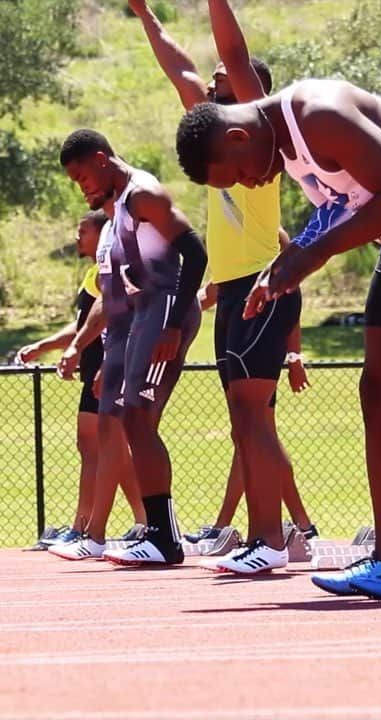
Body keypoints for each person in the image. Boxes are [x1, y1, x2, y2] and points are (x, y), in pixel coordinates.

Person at [176, 67, 381, 599]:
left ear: (238, 137)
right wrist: (283, 266)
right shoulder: (278, 142)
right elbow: (336, 207)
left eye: (235, 174)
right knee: (375, 391)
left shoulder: (318, 115)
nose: (246, 184)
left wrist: (311, 256)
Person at [129, 0, 317, 570]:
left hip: (264, 285)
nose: (211, 89)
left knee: (252, 416)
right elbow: (181, 71)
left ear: (249, 90)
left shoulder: (261, 135)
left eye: (223, 84)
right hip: (232, 288)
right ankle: (271, 538)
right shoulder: (215, 133)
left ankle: (271, 541)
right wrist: (144, 14)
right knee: (243, 419)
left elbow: (232, 58)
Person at [58, 128, 206, 565]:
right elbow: (119, 295)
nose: (81, 186)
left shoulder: (143, 195)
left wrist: (174, 326)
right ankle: (157, 532)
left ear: (102, 159)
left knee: (139, 420)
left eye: (82, 176)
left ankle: (164, 536)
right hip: (139, 320)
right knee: (131, 423)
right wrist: (111, 360)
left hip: (163, 315)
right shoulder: (120, 206)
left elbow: (194, 253)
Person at [17, 210, 146, 550]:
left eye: (82, 231)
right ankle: (140, 520)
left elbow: (114, 319)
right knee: (101, 448)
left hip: (106, 369)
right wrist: (47, 345)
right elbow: (84, 324)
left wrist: (106, 363)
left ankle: (88, 526)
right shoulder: (94, 275)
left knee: (100, 447)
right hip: (93, 370)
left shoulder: (111, 271)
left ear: (102, 235)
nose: (77, 237)